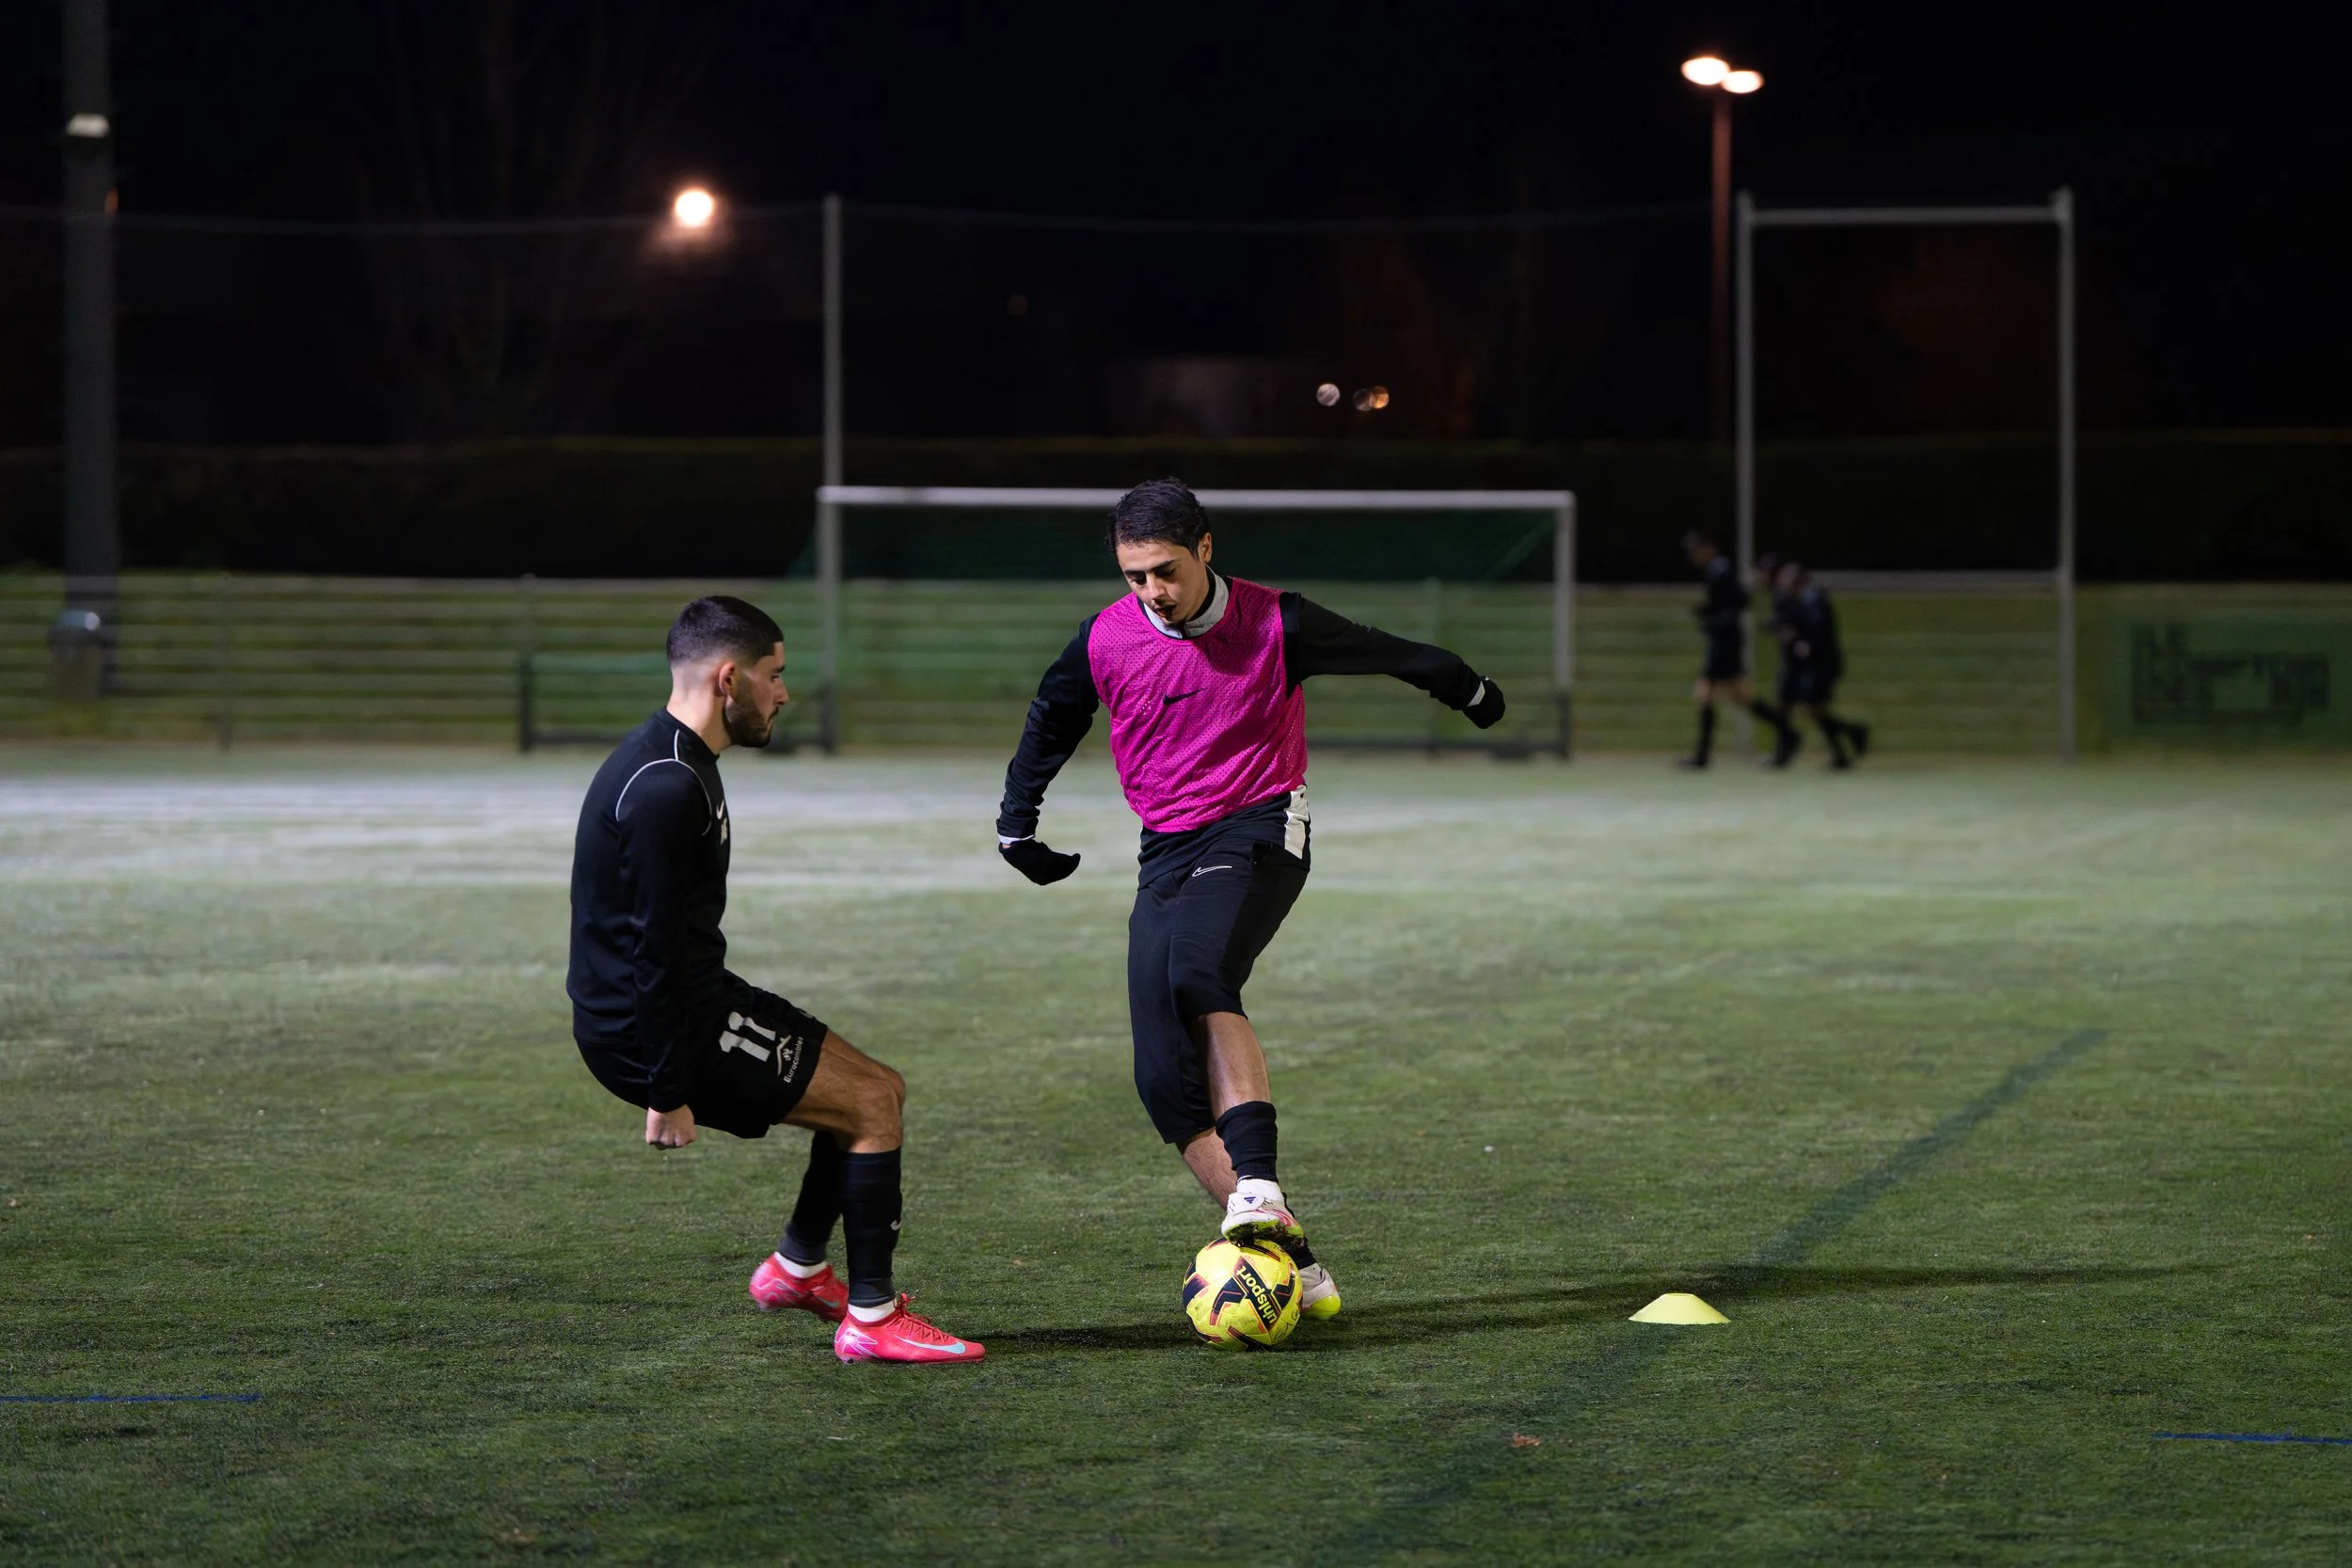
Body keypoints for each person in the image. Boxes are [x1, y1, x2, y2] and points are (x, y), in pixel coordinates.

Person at [993, 479, 1511, 1322]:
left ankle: (1258, 1185)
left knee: (1198, 972)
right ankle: (1290, 1259)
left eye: (1165, 569)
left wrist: (1469, 689)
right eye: (1134, 575)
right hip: (1166, 848)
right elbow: (1051, 720)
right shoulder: (1105, 637)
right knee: (1162, 1079)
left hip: (1261, 825)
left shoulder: (1277, 621)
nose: (1151, 591)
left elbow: (1389, 650)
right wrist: (1018, 827)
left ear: (1205, 548)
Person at [568, 594, 982, 1365]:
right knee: (869, 1105)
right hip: (656, 1026)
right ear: (730, 679)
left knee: (877, 1086)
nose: (784, 692)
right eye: (774, 674)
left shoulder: (678, 758)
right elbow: (649, 949)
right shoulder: (665, 786)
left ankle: (796, 1270)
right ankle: (871, 1317)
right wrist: (666, 1088)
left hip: (691, 998)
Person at [1678, 531, 1796, 768]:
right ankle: (1787, 732)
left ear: (1709, 547)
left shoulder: (1720, 570)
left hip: (1725, 643)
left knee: (1705, 695)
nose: (1694, 557)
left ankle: (1702, 756)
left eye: (1696, 550)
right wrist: (1707, 611)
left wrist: (1716, 619)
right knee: (1741, 697)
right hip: (1724, 641)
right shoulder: (1716, 571)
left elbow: (1740, 601)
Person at [1772, 561, 1871, 769]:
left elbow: (1818, 629)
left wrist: (1804, 643)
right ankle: (1847, 744)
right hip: (1818, 663)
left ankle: (1851, 738)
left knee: (1813, 708)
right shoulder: (1803, 599)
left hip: (1823, 663)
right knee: (1814, 709)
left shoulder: (1812, 598)